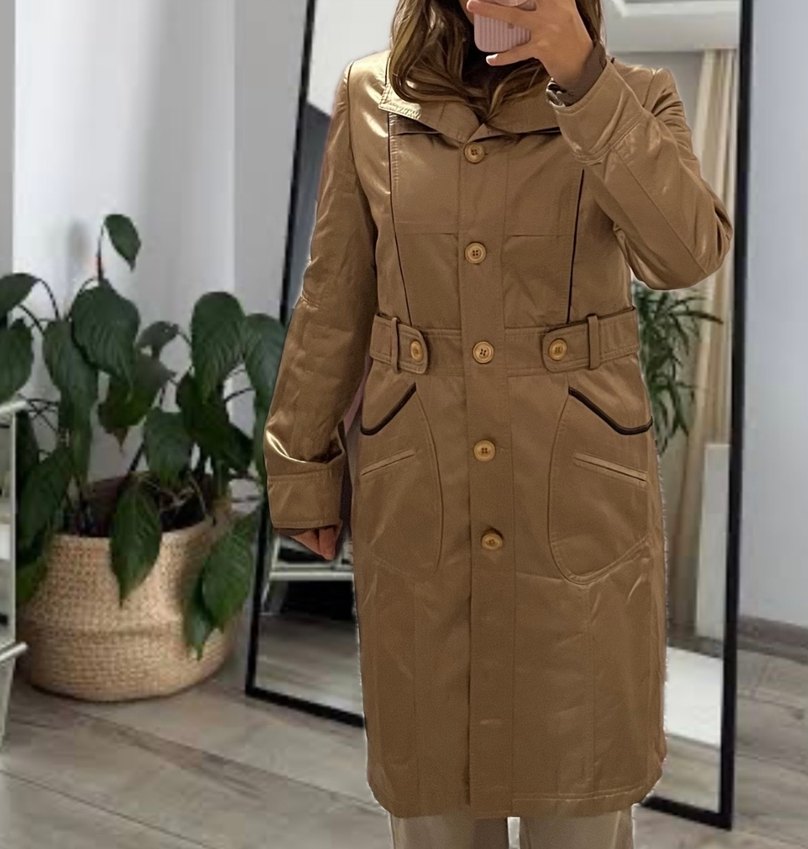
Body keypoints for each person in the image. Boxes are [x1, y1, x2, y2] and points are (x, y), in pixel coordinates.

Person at [263, 0, 734, 846]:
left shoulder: (633, 96)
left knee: (580, 793)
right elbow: (334, 299)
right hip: (422, 491)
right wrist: (300, 467)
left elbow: (686, 253)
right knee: (434, 800)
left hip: (577, 505)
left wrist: (582, 76)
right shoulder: (372, 98)